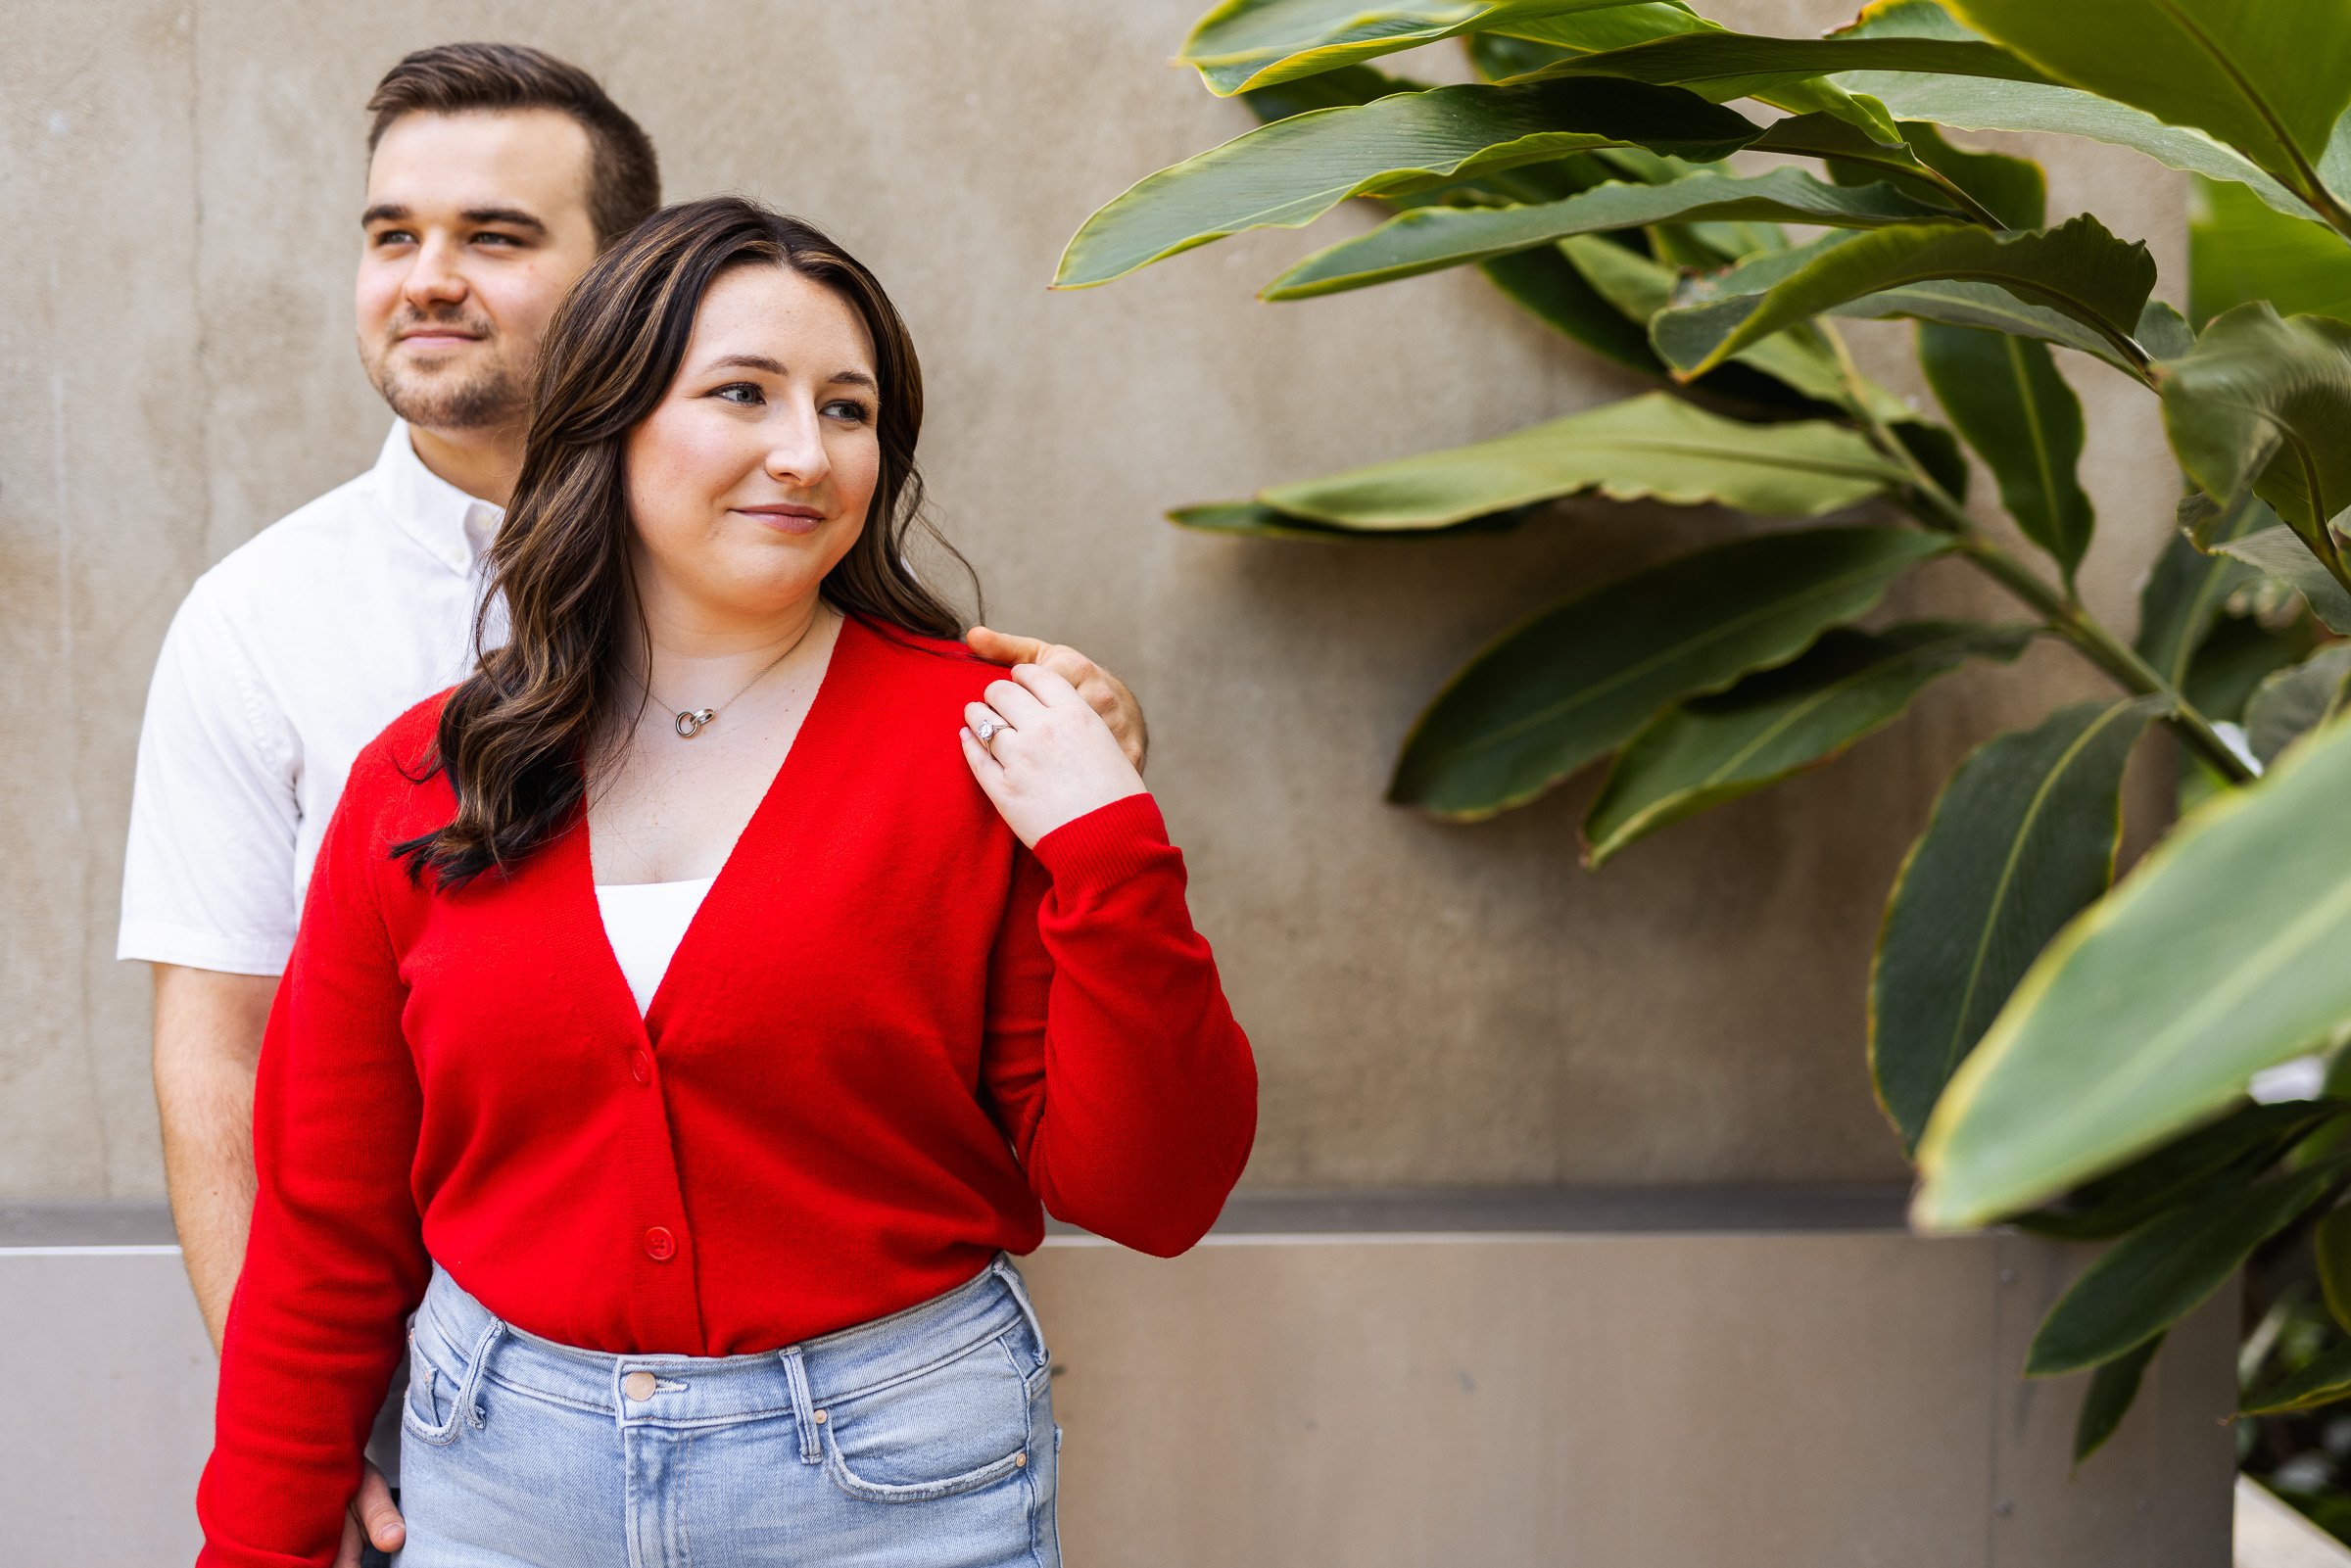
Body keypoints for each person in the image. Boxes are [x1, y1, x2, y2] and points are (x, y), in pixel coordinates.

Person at [120, 43, 1148, 1565]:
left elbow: (1127, 1163)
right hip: (487, 1444)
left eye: (498, 234)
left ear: (621, 293)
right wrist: (296, 1459)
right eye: (393, 233)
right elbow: (257, 1103)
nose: (429, 278)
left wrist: (1101, 834)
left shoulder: (931, 702)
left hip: (883, 1453)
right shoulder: (294, 649)